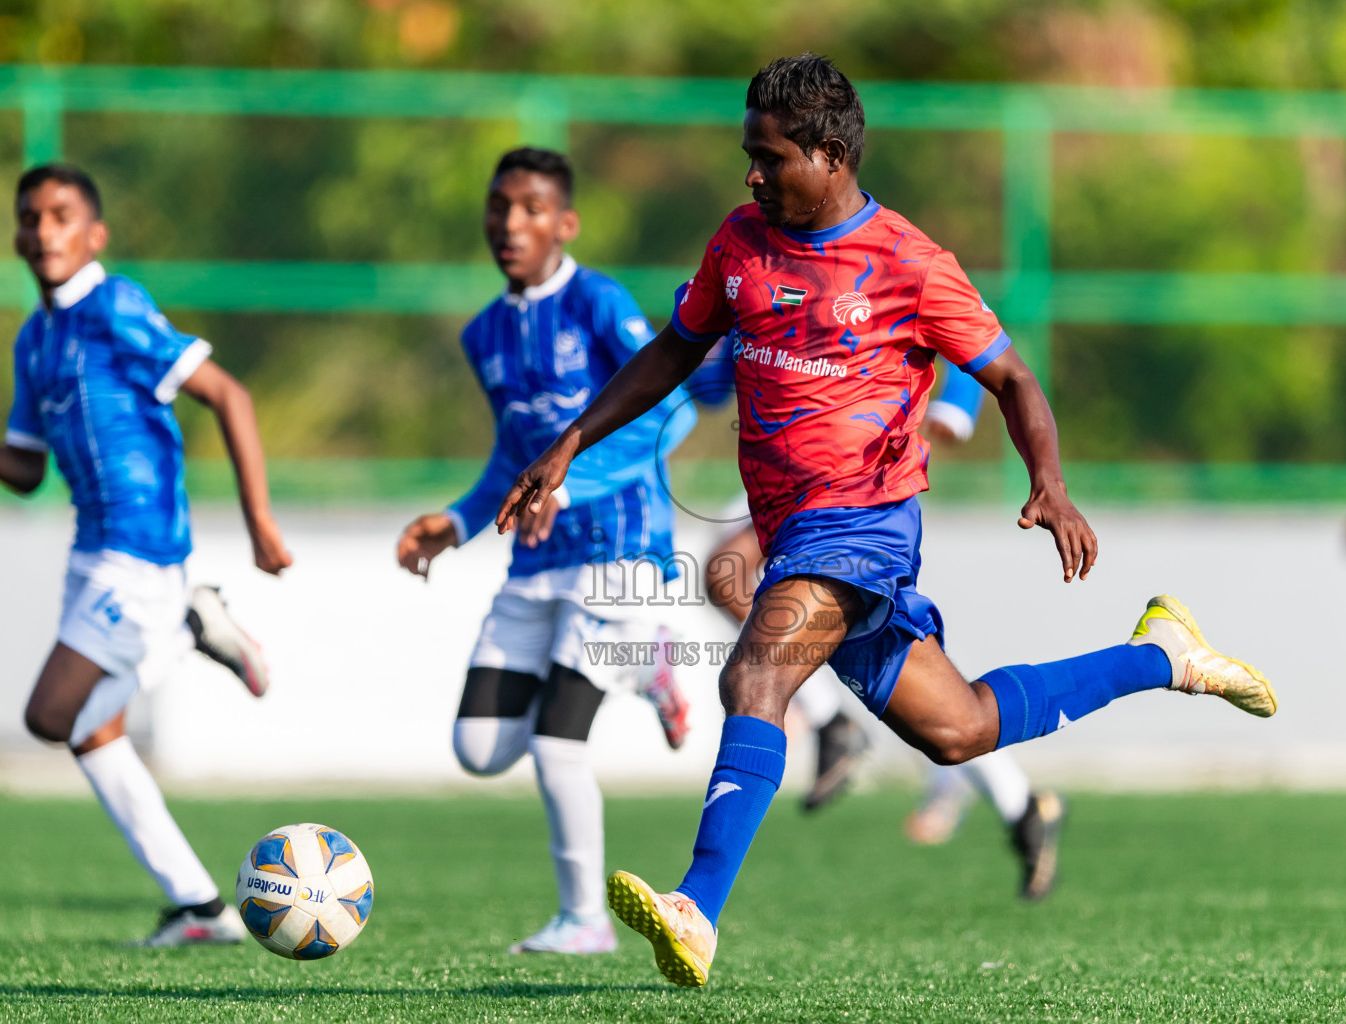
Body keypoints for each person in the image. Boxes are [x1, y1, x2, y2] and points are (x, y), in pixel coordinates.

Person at [495, 55, 1277, 987]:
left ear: (830, 156)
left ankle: (698, 906)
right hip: (794, 529)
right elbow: (674, 350)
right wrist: (569, 442)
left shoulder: (908, 261)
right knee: (960, 728)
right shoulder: (740, 241)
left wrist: (1050, 482)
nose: (750, 172)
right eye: (748, 153)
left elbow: (1013, 377)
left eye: (769, 156)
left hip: (866, 523)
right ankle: (1168, 656)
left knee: (755, 678)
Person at [0, 164, 292, 946]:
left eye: (60, 215)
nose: (43, 230)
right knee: (91, 731)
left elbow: (229, 394)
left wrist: (259, 522)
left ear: (94, 234)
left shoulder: (115, 306)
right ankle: (199, 906)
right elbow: (27, 468)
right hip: (93, 555)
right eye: (30, 218)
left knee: (49, 714)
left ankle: (190, 625)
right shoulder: (36, 339)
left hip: (141, 551)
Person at [396, 147, 696, 955]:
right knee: (480, 748)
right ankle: (647, 664)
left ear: (565, 224)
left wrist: (569, 482)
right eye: (499, 207)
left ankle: (584, 921)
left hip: (622, 554)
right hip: (534, 564)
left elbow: (674, 418)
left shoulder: (600, 303)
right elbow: (512, 453)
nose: (510, 223)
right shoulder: (484, 332)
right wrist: (457, 524)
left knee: (556, 744)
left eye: (530, 208)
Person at [691, 337, 1065, 898]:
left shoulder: (875, 258)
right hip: (792, 474)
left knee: (731, 577)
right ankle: (1019, 802)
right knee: (914, 682)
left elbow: (972, 330)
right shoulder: (749, 263)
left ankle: (831, 723)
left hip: (857, 481)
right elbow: (707, 385)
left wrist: (955, 405)